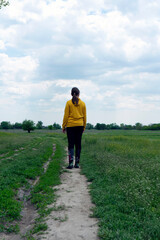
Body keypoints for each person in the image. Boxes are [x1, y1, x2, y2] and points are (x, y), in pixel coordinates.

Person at [62, 87, 86, 169]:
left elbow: (66, 116)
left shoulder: (68, 103)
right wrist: (84, 127)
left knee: (71, 145)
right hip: (80, 125)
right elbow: (85, 117)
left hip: (70, 126)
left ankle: (71, 163)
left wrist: (63, 126)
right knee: (78, 145)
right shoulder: (83, 104)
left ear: (71, 94)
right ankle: (77, 164)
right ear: (79, 94)